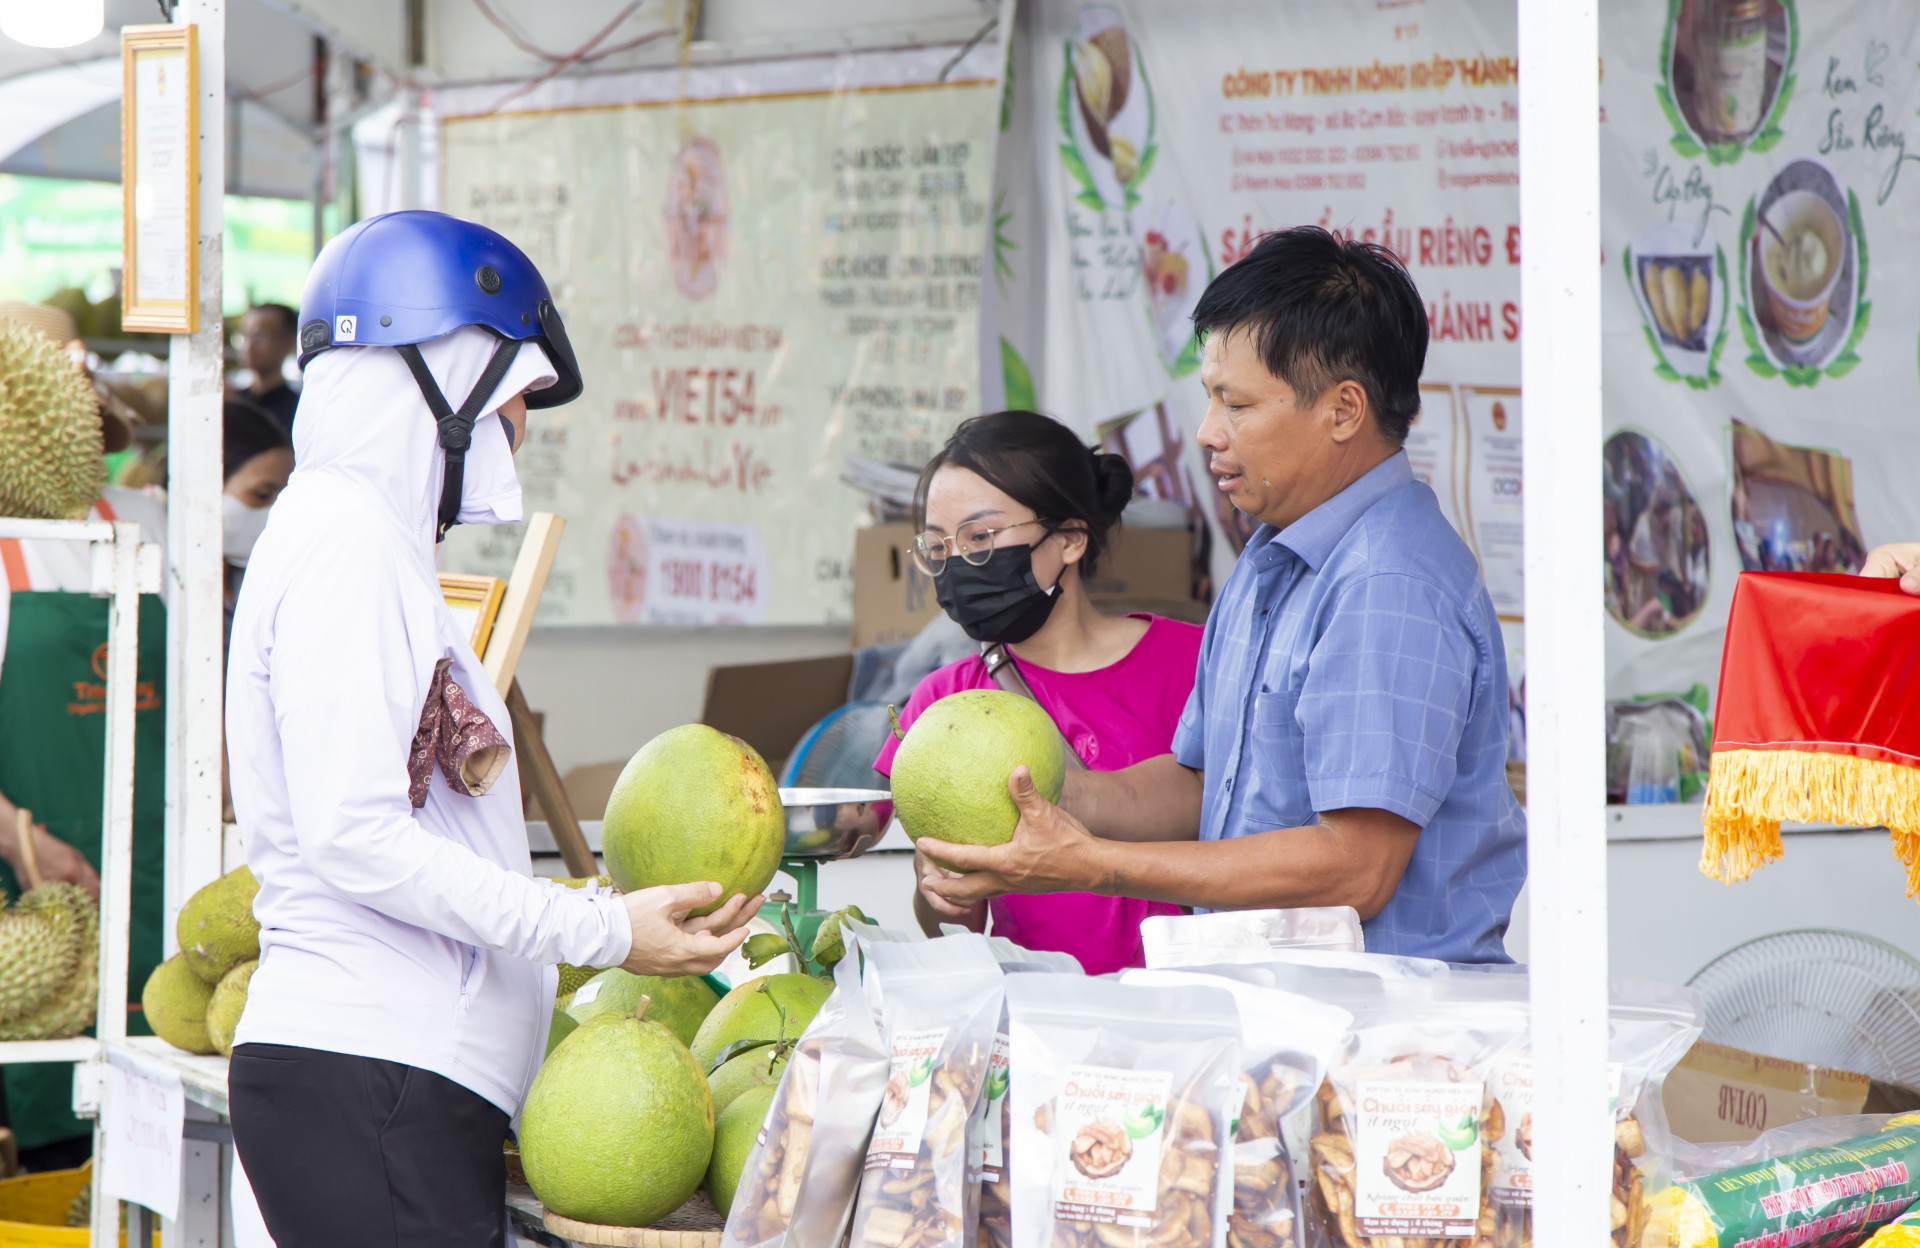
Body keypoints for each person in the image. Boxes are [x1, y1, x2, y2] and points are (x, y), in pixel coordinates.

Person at [224, 211, 759, 1248]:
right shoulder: (347, 543)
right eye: (513, 402)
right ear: (439, 381)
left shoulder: (355, 533)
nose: (520, 434)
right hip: (372, 1080)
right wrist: (605, 931)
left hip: (378, 1084)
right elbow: (354, 835)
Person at [915, 227, 1526, 963]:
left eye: (1235, 405)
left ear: (1343, 410)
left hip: (1381, 1034)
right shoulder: (1272, 556)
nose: (1208, 433)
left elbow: (1356, 869)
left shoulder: (1385, 585)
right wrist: (1035, 804)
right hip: (1278, 1020)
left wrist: (1087, 864)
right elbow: (1200, 783)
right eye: (1209, 400)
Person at [875, 410, 1200, 974]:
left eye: (980, 538)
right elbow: (948, 928)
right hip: (1035, 1021)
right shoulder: (941, 703)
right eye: (937, 547)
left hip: (1179, 1012)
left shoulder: (1193, 663)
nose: (957, 565)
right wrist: (943, 895)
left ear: (1071, 539)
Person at [0, 305, 167, 1172]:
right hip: (38, 897)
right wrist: (20, 838)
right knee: (62, 1150)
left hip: (162, 884)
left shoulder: (150, 517)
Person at [235, 303, 300, 435]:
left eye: (260, 336)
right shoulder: (235, 399)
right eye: (245, 335)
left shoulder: (297, 409)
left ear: (289, 343)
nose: (249, 345)